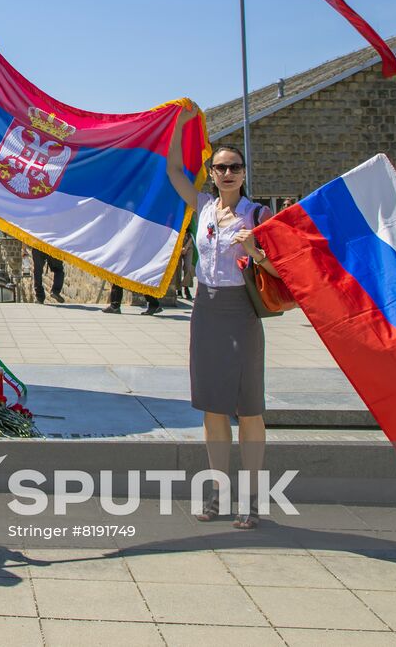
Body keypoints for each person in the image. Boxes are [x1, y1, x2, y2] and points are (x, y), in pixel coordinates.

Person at [166, 108, 282, 529]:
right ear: (212, 173)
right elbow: (174, 169)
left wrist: (257, 253)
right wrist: (178, 126)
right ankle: (217, 493)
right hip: (205, 309)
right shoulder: (203, 207)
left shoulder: (259, 216)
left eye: (234, 167)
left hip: (241, 312)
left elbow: (282, 272)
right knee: (213, 408)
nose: (227, 173)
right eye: (220, 167)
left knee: (248, 407)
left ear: (244, 173)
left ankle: (251, 500)